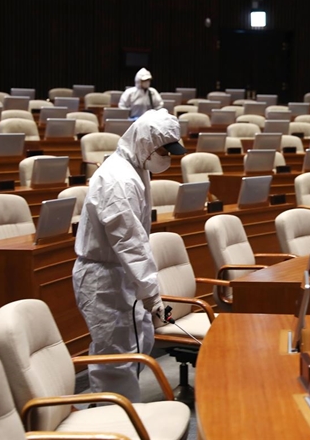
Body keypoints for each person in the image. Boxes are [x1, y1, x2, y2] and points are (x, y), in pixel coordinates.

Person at [72, 109, 187, 402]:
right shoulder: (118, 180)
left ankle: (122, 414)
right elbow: (130, 242)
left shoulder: (136, 166)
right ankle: (113, 422)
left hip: (119, 273)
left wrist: (149, 293)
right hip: (103, 277)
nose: (168, 158)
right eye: (164, 150)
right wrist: (152, 294)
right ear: (146, 143)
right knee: (114, 358)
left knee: (135, 343)